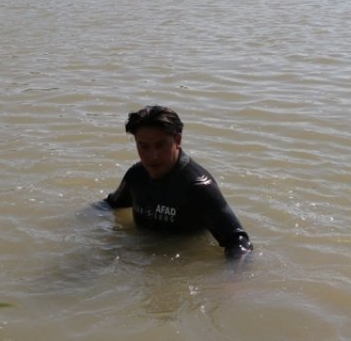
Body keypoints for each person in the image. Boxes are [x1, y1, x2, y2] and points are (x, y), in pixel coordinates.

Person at [101, 105, 252, 259]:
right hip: (140, 259)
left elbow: (238, 242)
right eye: (144, 146)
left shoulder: (198, 187)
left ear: (177, 140)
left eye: (160, 145)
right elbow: (110, 205)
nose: (152, 156)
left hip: (183, 263)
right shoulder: (136, 176)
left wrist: (232, 279)